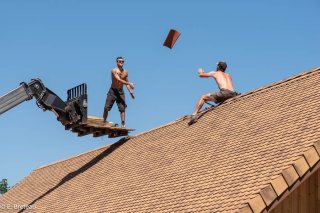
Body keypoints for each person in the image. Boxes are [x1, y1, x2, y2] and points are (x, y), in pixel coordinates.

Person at [188, 61, 237, 125]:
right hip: (233, 93)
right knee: (221, 96)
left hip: (225, 93)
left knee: (203, 97)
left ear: (218, 67)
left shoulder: (215, 73)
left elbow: (201, 75)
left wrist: (200, 71)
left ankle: (194, 115)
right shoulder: (228, 75)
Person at [103, 57, 135, 128]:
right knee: (106, 108)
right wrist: (129, 83)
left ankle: (123, 124)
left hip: (120, 91)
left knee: (122, 108)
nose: (121, 62)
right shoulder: (114, 70)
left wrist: (131, 92)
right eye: (120, 61)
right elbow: (119, 80)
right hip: (113, 91)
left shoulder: (125, 72)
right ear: (116, 62)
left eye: (122, 61)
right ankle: (104, 121)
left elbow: (126, 83)